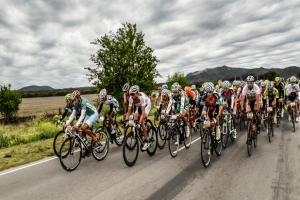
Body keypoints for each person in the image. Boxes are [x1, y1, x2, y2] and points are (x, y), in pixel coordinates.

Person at [64, 90, 98, 156]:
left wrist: (76, 125)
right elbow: (73, 115)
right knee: (82, 132)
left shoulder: (83, 102)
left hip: (94, 114)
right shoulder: (75, 103)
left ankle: (94, 138)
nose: (74, 102)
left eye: (75, 100)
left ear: (78, 98)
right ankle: (86, 148)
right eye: (73, 100)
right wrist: (67, 123)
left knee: (83, 128)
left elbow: (82, 115)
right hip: (88, 115)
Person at [124, 85, 152, 150]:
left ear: (137, 93)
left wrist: (139, 122)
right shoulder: (131, 98)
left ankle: (145, 140)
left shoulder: (141, 97)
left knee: (141, 122)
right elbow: (129, 111)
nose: (131, 95)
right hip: (139, 106)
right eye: (131, 94)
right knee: (135, 121)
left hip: (146, 105)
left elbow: (142, 112)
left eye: (133, 94)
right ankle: (142, 132)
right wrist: (125, 121)